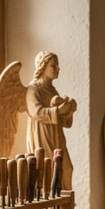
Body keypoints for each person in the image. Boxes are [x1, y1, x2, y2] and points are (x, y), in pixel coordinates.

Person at [26, 51, 76, 191]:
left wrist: (69, 110)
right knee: (47, 171)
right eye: (52, 65)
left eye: (57, 65)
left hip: (56, 135)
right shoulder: (33, 88)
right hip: (41, 135)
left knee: (66, 169)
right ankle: (49, 208)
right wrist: (59, 110)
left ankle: (66, 207)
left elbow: (63, 120)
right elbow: (36, 112)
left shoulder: (52, 90)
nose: (57, 68)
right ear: (42, 67)